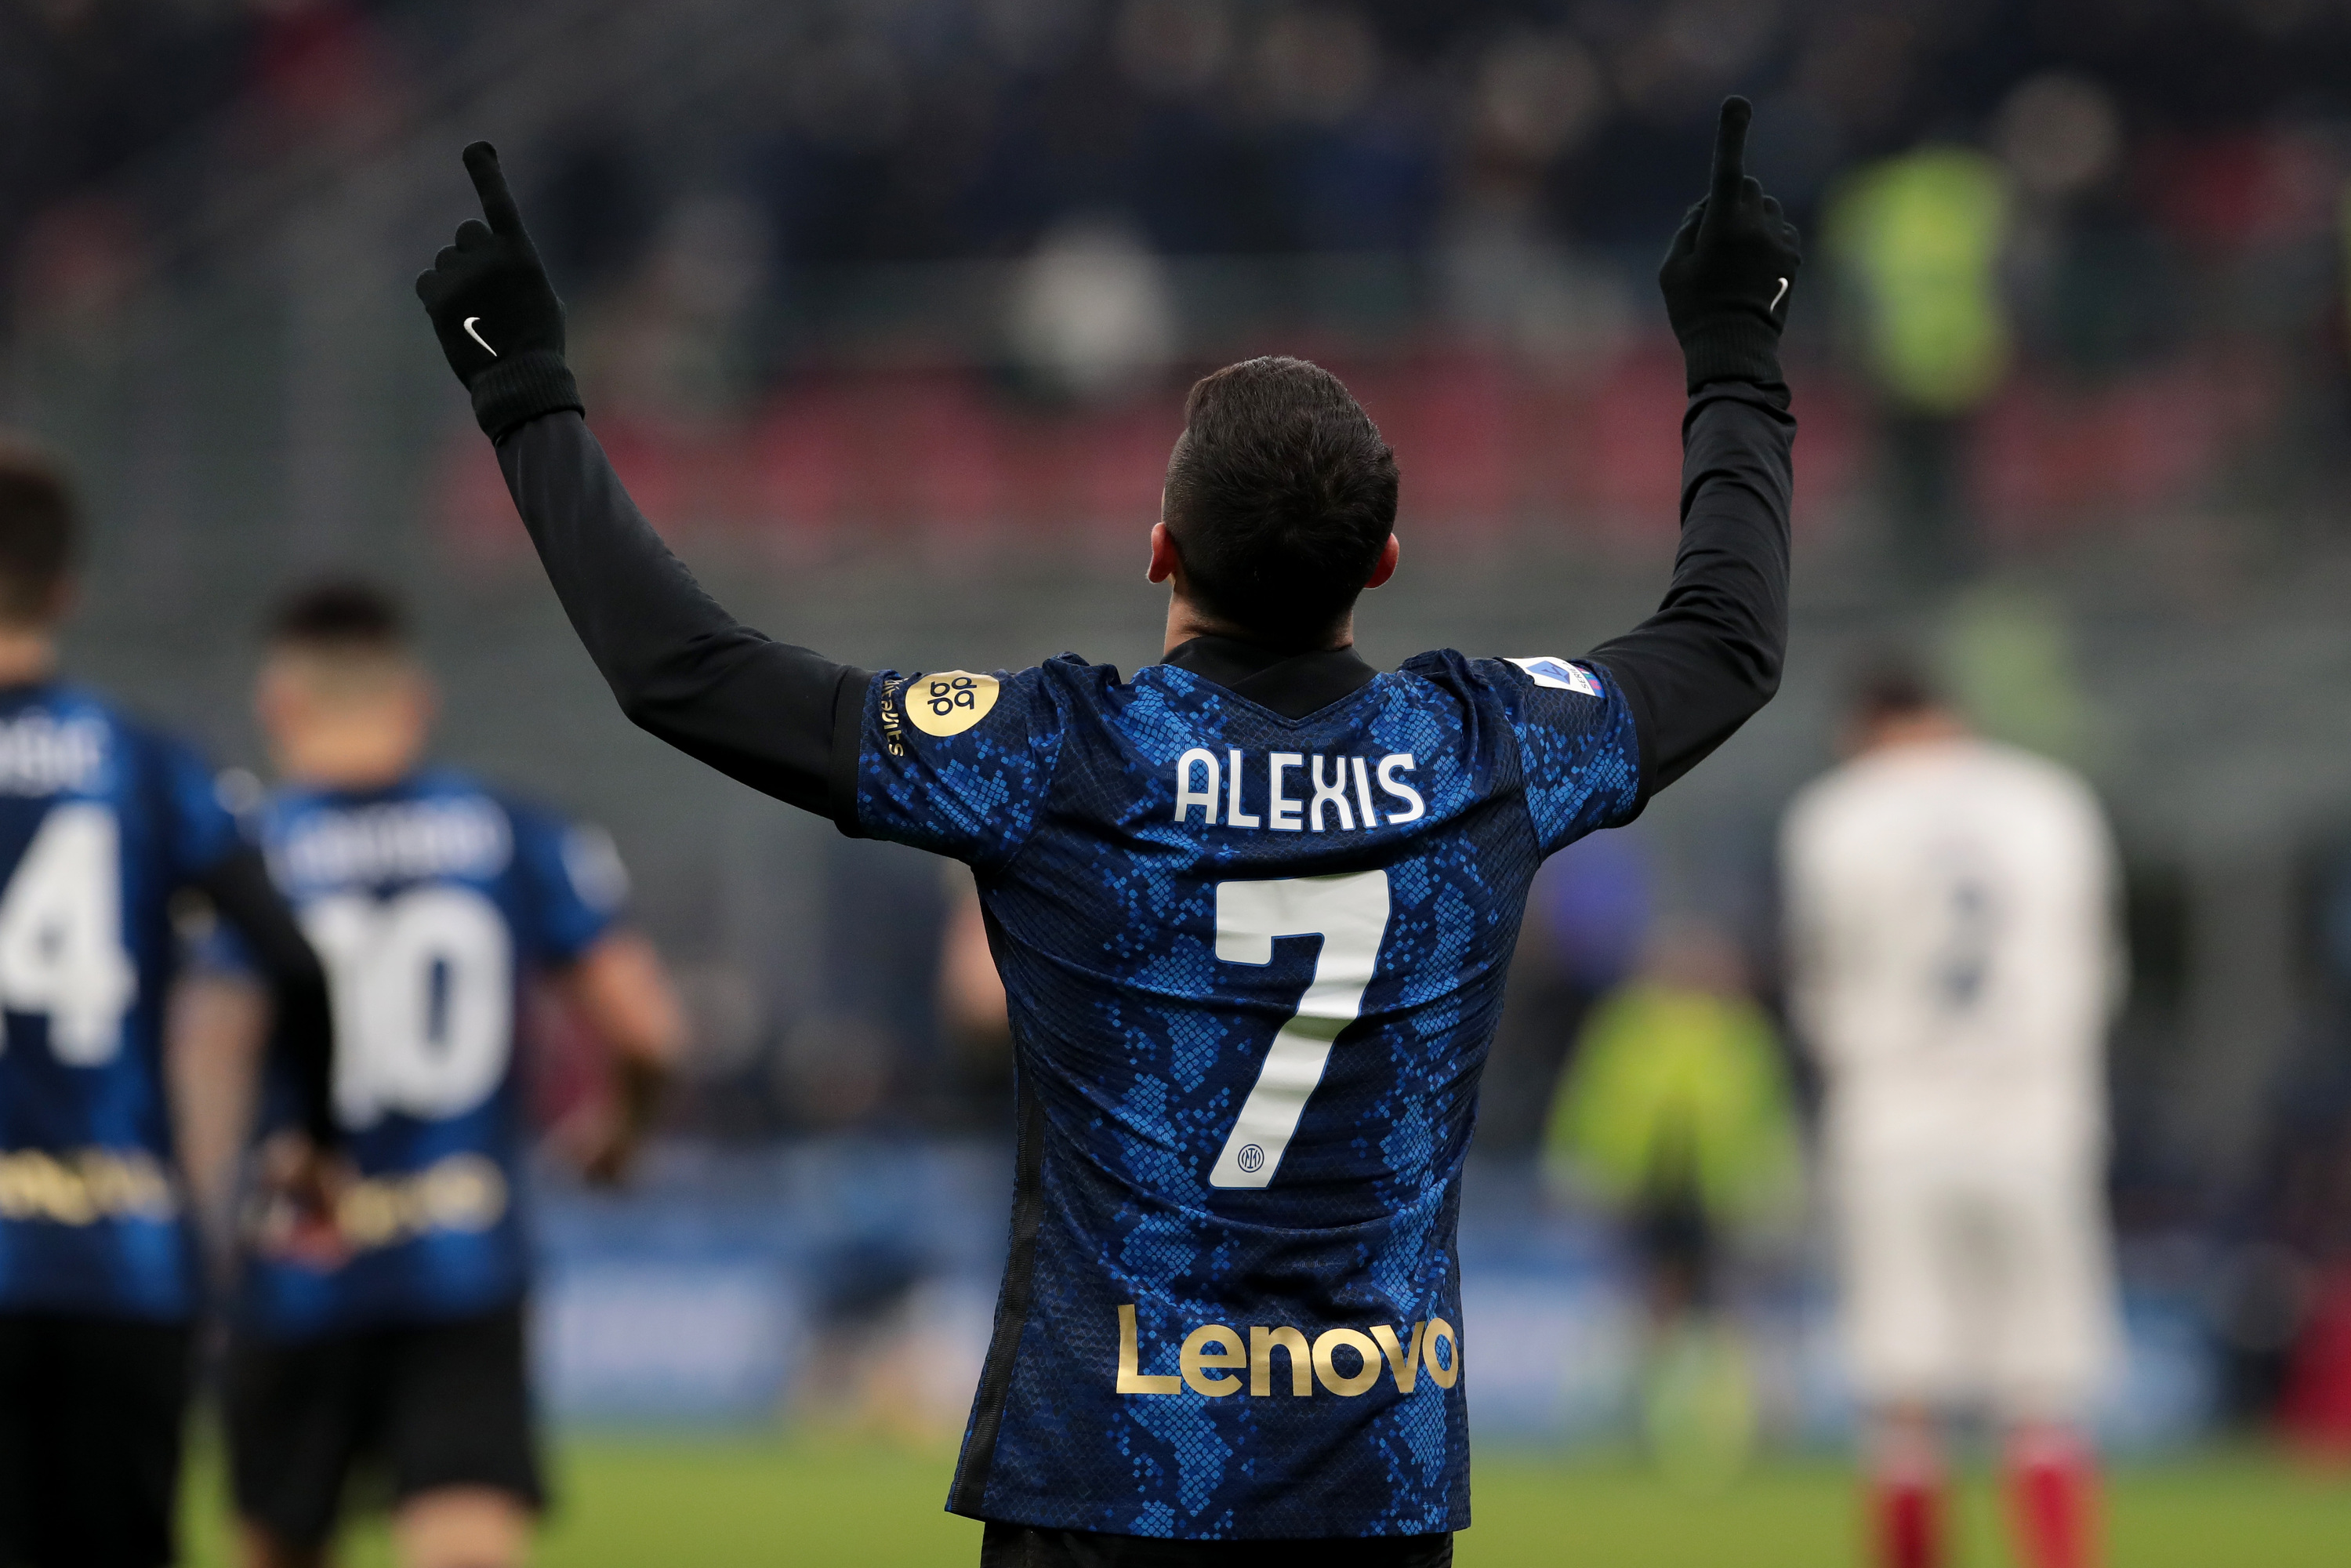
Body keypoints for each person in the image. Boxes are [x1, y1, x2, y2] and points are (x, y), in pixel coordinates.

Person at [412, 95, 1799, 1564]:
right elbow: (1723, 639)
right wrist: (1734, 348)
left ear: (1159, 550)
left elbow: (683, 671)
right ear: (1383, 563)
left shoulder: (1059, 760)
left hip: (1102, 1480)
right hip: (1371, 1487)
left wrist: (527, 393)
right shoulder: (1480, 751)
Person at [219, 581, 687, 1568]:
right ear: (416, 700)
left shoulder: (245, 850)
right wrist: (618, 1131)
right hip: (461, 1260)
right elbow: (648, 1032)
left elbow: (209, 1045)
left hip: (294, 1256)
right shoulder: (511, 830)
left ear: (280, 705)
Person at [0, 443, 336, 1568]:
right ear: (65, 591)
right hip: (123, 1256)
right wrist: (314, 1138)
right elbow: (296, 964)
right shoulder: (147, 766)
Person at [1781, 666, 2124, 1568]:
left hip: (1891, 1121)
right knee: (2043, 1396)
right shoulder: (2052, 801)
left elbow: (1821, 986)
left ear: (1863, 727)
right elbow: (2095, 970)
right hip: (2036, 1119)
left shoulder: (1835, 812)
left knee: (1902, 1400)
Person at [1543, 922, 1801, 1485]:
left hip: (1716, 1190)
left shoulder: (1734, 1029)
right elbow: (1599, 1098)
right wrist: (1583, 1167)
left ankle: (1720, 1429)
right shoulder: (1636, 1022)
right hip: (1647, 1186)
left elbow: (1761, 1110)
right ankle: (1637, 1422)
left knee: (1716, 1312)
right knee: (1650, 1308)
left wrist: (1772, 1182)